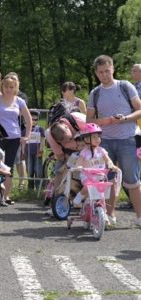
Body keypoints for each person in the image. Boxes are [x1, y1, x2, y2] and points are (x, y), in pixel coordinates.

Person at [86, 54, 141, 227]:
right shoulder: (95, 93)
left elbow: (140, 110)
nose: (104, 75)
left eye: (107, 71)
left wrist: (124, 118)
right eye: (101, 72)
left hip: (128, 139)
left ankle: (140, 217)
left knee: (133, 181)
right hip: (106, 142)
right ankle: (109, 216)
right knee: (107, 181)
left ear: (113, 69)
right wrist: (102, 121)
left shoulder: (125, 86)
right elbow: (89, 121)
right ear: (96, 73)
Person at [0, 73, 32, 204]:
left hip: (14, 138)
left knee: (8, 167)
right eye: (6, 87)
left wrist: (27, 135)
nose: (9, 89)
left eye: (12, 87)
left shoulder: (19, 101)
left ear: (16, 88)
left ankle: (6, 196)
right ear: (2, 87)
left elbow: (28, 119)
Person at [73, 124, 119, 213]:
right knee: (87, 187)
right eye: (94, 137)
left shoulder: (101, 150)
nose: (97, 139)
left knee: (102, 194)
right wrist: (78, 166)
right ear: (86, 139)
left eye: (98, 137)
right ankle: (79, 197)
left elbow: (107, 159)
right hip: (87, 175)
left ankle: (103, 213)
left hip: (100, 176)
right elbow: (79, 161)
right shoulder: (84, 152)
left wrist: (111, 165)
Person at [24, 109, 45, 190]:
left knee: (38, 169)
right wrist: (23, 151)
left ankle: (38, 186)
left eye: (35, 119)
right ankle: (30, 186)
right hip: (28, 153)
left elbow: (43, 139)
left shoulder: (40, 129)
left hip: (37, 153)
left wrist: (40, 150)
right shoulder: (25, 130)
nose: (33, 121)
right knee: (29, 169)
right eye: (31, 119)